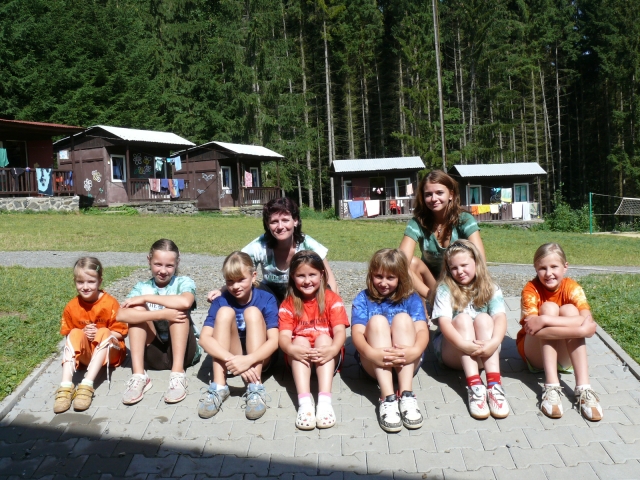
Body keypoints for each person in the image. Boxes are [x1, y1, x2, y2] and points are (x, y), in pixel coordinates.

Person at [517, 243, 602, 421]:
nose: (548, 273)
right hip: (535, 356)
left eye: (554, 267)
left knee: (570, 310)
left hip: (564, 360)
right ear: (535, 268)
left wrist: (545, 321)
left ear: (565, 267)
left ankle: (584, 388)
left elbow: (587, 319)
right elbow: (533, 330)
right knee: (548, 308)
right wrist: (579, 330)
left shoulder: (572, 287)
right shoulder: (530, 289)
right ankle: (551, 386)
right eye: (542, 268)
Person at [351, 249, 429, 433]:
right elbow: (357, 334)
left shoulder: (411, 298)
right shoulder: (363, 298)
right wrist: (371, 353)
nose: (383, 283)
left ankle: (406, 394)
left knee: (402, 318)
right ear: (371, 275)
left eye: (390, 278)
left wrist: (416, 350)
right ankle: (387, 397)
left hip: (407, 361)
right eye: (378, 276)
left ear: (401, 277)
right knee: (378, 321)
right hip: (375, 363)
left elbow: (422, 330)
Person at [431, 240, 509, 420]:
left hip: (485, 351)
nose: (460, 271)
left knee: (484, 319)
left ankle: (494, 385)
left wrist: (494, 342)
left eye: (464, 265)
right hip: (454, 352)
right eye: (454, 268)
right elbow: (444, 323)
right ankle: (475, 387)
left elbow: (500, 317)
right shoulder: (445, 289)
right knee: (462, 319)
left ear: (476, 262)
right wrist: (462, 344)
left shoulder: (491, 287)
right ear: (448, 269)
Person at [208, 197, 337, 304]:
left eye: (285, 220)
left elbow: (329, 280)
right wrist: (222, 290)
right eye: (274, 222)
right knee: (254, 287)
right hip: (270, 297)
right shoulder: (259, 245)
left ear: (295, 221)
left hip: (301, 296)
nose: (280, 227)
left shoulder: (309, 245)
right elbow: (238, 273)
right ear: (267, 224)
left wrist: (335, 307)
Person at [117, 239, 200, 406]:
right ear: (149, 260)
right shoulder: (142, 287)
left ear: (177, 263)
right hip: (153, 353)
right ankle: (139, 376)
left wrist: (146, 298)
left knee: (179, 309)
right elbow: (120, 315)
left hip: (184, 353)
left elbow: (185, 302)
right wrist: (161, 314)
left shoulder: (184, 282)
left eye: (169, 266)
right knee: (136, 310)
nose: (163, 271)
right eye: (158, 264)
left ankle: (178, 375)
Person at [198, 252, 279, 420]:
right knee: (224, 312)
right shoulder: (221, 300)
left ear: (253, 276)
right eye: (230, 281)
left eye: (241, 280)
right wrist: (235, 361)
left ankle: (255, 387)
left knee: (252, 312)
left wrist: (249, 360)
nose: (235, 286)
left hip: (260, 357)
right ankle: (219, 385)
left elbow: (274, 340)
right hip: (232, 356)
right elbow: (204, 339)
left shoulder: (266, 298)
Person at [278, 251, 349, 430]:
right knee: (299, 340)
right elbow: (284, 337)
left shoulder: (332, 299)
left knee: (324, 338)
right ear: (292, 276)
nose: (307, 281)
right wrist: (291, 349)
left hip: (327, 358)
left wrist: (333, 349)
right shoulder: (288, 304)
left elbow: (340, 332)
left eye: (312, 275)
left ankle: (324, 403)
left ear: (322, 274)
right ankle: (305, 404)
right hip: (300, 361)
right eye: (301, 276)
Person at [54, 257, 127, 414]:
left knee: (104, 331)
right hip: (87, 356)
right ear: (75, 282)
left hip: (111, 354)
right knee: (74, 332)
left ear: (99, 281)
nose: (85, 287)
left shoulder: (110, 303)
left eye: (91, 282)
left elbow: (121, 333)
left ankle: (87, 384)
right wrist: (82, 333)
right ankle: (66, 386)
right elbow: (69, 339)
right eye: (80, 282)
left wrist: (99, 332)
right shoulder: (72, 306)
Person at [399, 170, 485, 300]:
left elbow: (480, 260)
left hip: (460, 281)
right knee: (409, 263)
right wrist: (432, 295)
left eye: (439, 193)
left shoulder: (465, 220)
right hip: (432, 285)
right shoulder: (417, 222)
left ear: (451, 194)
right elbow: (400, 262)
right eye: (428, 194)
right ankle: (428, 305)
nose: (434, 199)